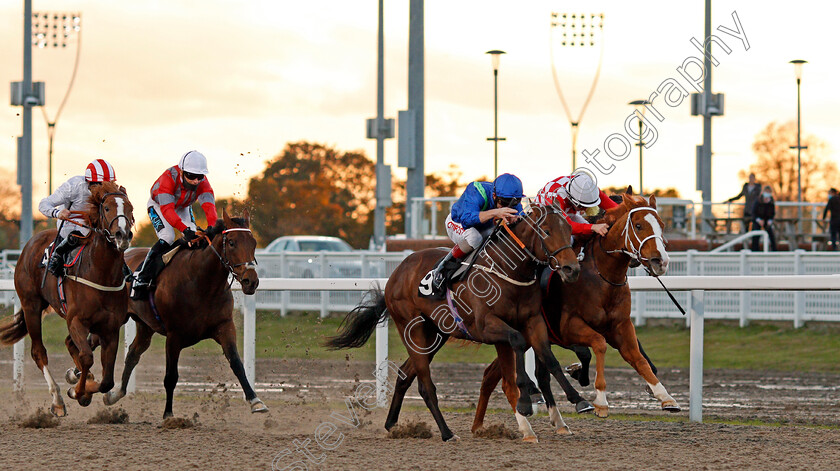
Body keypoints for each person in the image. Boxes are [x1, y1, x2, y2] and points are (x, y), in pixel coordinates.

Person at [131, 150, 218, 299]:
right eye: (191, 176)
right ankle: (142, 275)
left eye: (200, 177)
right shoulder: (167, 179)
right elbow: (167, 211)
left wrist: (212, 226)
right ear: (182, 172)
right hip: (160, 205)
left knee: (195, 238)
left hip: (183, 206)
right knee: (168, 237)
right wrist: (184, 230)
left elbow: (209, 207)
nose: (196, 181)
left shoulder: (203, 183)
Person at [430, 173, 525, 291]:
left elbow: (523, 224)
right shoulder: (476, 190)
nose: (508, 206)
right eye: (505, 203)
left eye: (514, 203)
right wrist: (495, 212)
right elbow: (467, 220)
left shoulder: (511, 198)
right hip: (458, 222)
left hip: (483, 228)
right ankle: (443, 267)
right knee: (475, 238)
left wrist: (517, 220)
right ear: (494, 195)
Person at [38, 159, 118, 277]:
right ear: (90, 182)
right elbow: (43, 204)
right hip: (71, 222)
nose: (104, 189)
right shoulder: (73, 186)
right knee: (84, 232)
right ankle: (57, 256)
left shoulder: (111, 191)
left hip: (95, 223)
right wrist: (57, 213)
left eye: (108, 184)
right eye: (101, 184)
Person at [534, 172, 618, 238]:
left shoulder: (589, 188)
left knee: (588, 234)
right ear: (572, 199)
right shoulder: (554, 197)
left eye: (588, 206)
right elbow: (565, 226)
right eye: (581, 206)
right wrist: (593, 227)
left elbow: (616, 208)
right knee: (569, 240)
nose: (584, 210)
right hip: (546, 218)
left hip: (566, 211)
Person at [751, 186, 777, 251]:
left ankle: (774, 250)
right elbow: (753, 212)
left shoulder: (771, 202)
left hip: (767, 221)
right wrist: (758, 220)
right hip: (758, 220)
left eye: (769, 192)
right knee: (756, 234)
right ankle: (755, 251)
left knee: (771, 235)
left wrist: (770, 220)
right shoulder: (758, 200)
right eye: (766, 192)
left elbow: (772, 213)